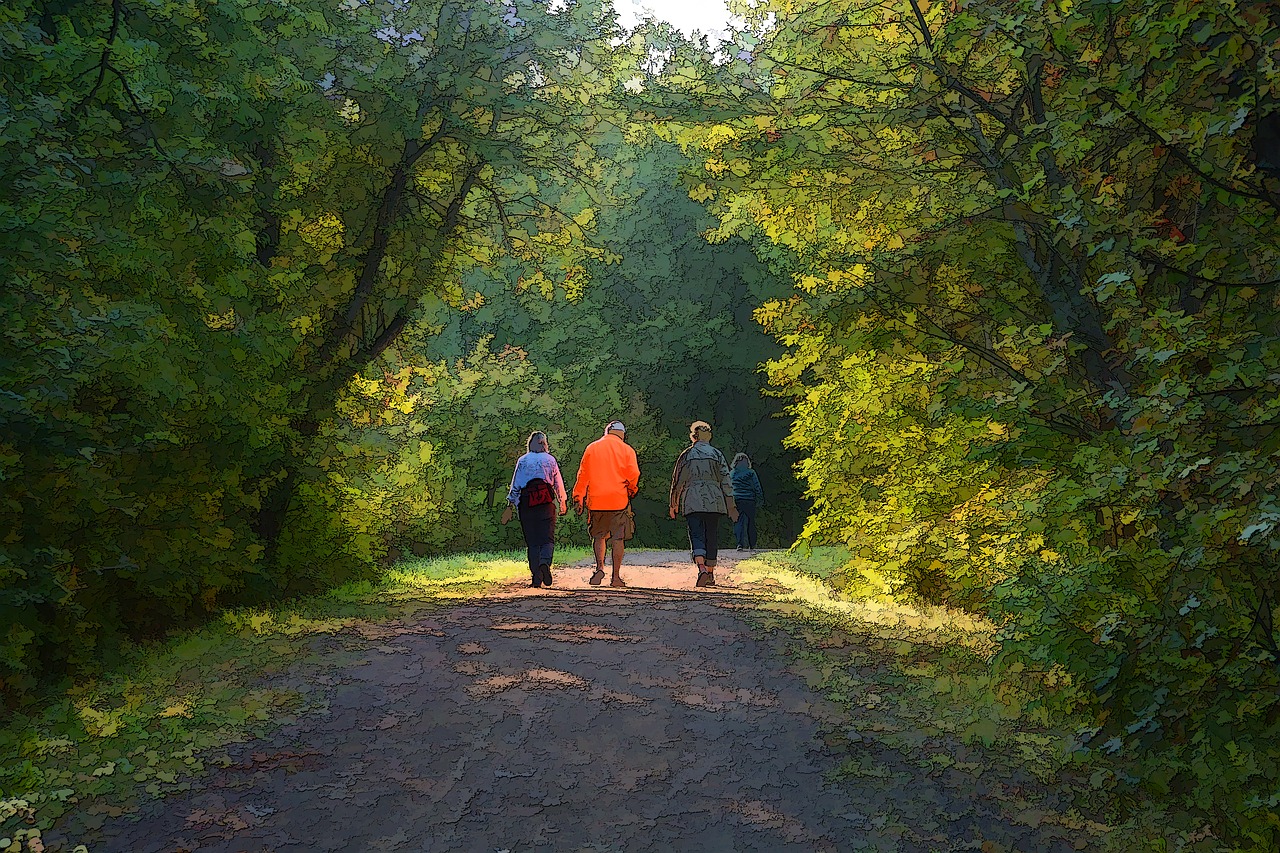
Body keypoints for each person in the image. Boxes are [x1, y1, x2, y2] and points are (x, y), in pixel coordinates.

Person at [571, 421, 641, 587]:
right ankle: (615, 577)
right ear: (622, 434)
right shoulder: (627, 450)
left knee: (599, 536)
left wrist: (578, 497)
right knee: (618, 538)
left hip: (596, 500)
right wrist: (632, 489)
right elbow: (633, 474)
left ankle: (600, 568)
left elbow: (583, 475)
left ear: (607, 432)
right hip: (618, 500)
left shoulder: (592, 448)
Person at [668, 421, 738, 587]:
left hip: (692, 500)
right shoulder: (717, 454)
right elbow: (726, 481)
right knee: (711, 535)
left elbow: (678, 481)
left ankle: (701, 569)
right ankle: (711, 573)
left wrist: (674, 503)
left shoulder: (687, 455)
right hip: (715, 500)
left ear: (693, 437)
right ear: (709, 436)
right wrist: (731, 505)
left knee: (697, 534)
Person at [501, 431, 568, 588]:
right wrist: (562, 501)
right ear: (544, 444)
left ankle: (536, 578)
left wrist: (510, 504)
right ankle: (545, 562)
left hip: (527, 504)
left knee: (532, 541)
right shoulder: (550, 460)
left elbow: (516, 484)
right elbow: (558, 482)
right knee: (547, 538)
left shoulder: (523, 461)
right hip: (546, 504)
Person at [730, 452, 764, 551]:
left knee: (738, 521)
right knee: (750, 522)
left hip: (736, 500)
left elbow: (729, 487)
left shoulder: (732, 473)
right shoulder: (750, 472)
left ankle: (739, 544)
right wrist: (760, 498)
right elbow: (757, 486)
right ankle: (752, 544)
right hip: (749, 499)